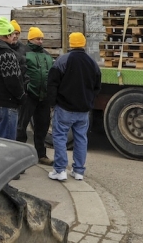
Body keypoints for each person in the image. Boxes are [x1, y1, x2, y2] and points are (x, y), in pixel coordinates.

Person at [47, 32, 101, 182]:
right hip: (83, 110)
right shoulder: (92, 63)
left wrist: (52, 103)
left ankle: (60, 170)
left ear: (70, 43)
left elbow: (52, 83)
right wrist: (89, 101)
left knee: (59, 137)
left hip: (64, 108)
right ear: (83, 43)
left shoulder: (62, 60)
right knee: (81, 139)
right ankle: (78, 171)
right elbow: (97, 87)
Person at [16, 26, 55, 166]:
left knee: (42, 126)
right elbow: (20, 73)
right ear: (30, 39)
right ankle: (19, 157)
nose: (40, 41)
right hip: (29, 96)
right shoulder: (23, 53)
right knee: (21, 126)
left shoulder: (46, 55)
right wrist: (25, 89)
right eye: (38, 38)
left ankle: (41, 155)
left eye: (42, 38)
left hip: (43, 97)